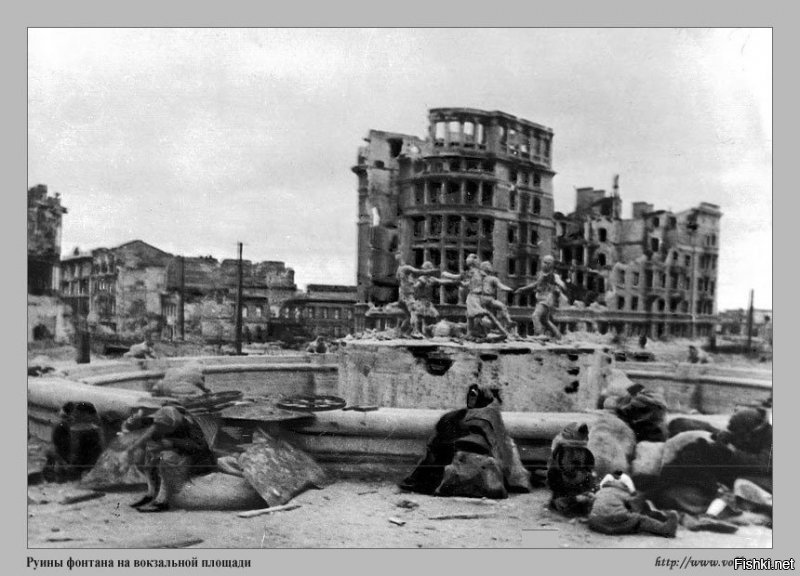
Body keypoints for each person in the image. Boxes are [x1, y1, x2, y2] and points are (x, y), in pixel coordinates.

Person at [121, 403, 216, 512]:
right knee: (150, 453)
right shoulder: (162, 422)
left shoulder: (189, 425)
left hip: (198, 462)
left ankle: (162, 501)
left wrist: (173, 443)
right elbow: (145, 436)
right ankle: (151, 493)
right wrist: (131, 449)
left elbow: (200, 447)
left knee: (167, 457)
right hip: (179, 458)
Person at [588, 472, 679, 537]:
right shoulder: (623, 493)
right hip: (614, 519)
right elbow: (635, 506)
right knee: (640, 519)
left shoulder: (600, 492)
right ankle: (665, 529)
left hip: (595, 522)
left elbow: (592, 503)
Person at [515, 255, 566, 339]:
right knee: (545, 321)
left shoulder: (551, 275)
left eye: (548, 263)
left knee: (535, 316)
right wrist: (524, 290)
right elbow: (536, 285)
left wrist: (522, 289)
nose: (545, 264)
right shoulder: (541, 274)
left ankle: (539, 335)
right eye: (544, 262)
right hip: (541, 299)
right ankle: (558, 336)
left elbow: (535, 285)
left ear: (551, 265)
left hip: (546, 299)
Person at [395, 256, 439, 338]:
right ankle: (414, 331)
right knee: (413, 313)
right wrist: (431, 271)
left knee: (409, 315)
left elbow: (402, 280)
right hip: (408, 295)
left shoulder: (400, 271)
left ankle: (403, 332)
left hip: (405, 294)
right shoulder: (406, 269)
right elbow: (418, 272)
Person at [479, 261, 514, 332]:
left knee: (488, 315)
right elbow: (501, 286)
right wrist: (510, 289)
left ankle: (486, 330)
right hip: (489, 298)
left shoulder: (479, 278)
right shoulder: (492, 278)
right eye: (489, 265)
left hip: (480, 299)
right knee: (502, 306)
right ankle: (509, 321)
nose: (491, 267)